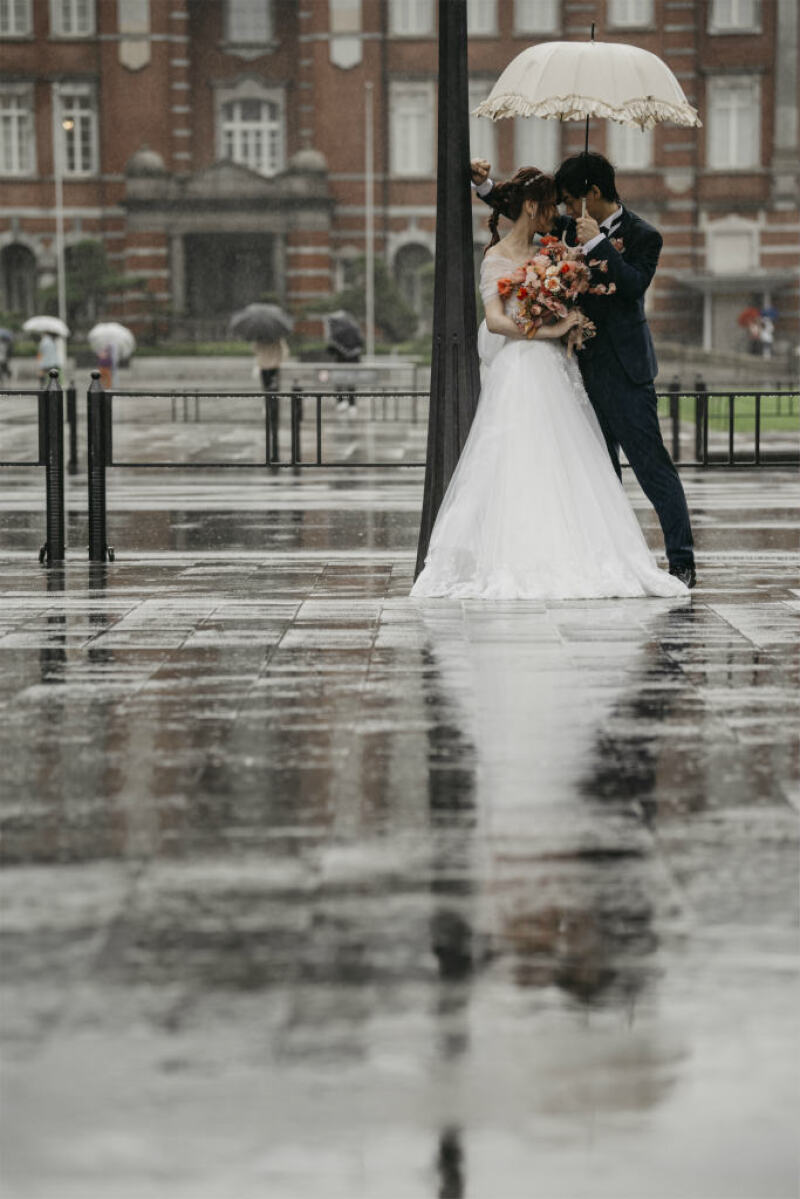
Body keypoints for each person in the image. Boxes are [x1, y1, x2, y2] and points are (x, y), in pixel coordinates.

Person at [411, 167, 689, 601]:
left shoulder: (643, 234)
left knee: (652, 467)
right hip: (575, 368)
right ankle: (596, 550)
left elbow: (633, 286)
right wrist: (483, 185)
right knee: (592, 470)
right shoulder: (557, 232)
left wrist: (597, 241)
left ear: (592, 194)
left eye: (567, 201)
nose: (558, 211)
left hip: (625, 370)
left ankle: (682, 560)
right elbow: (520, 213)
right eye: (554, 204)